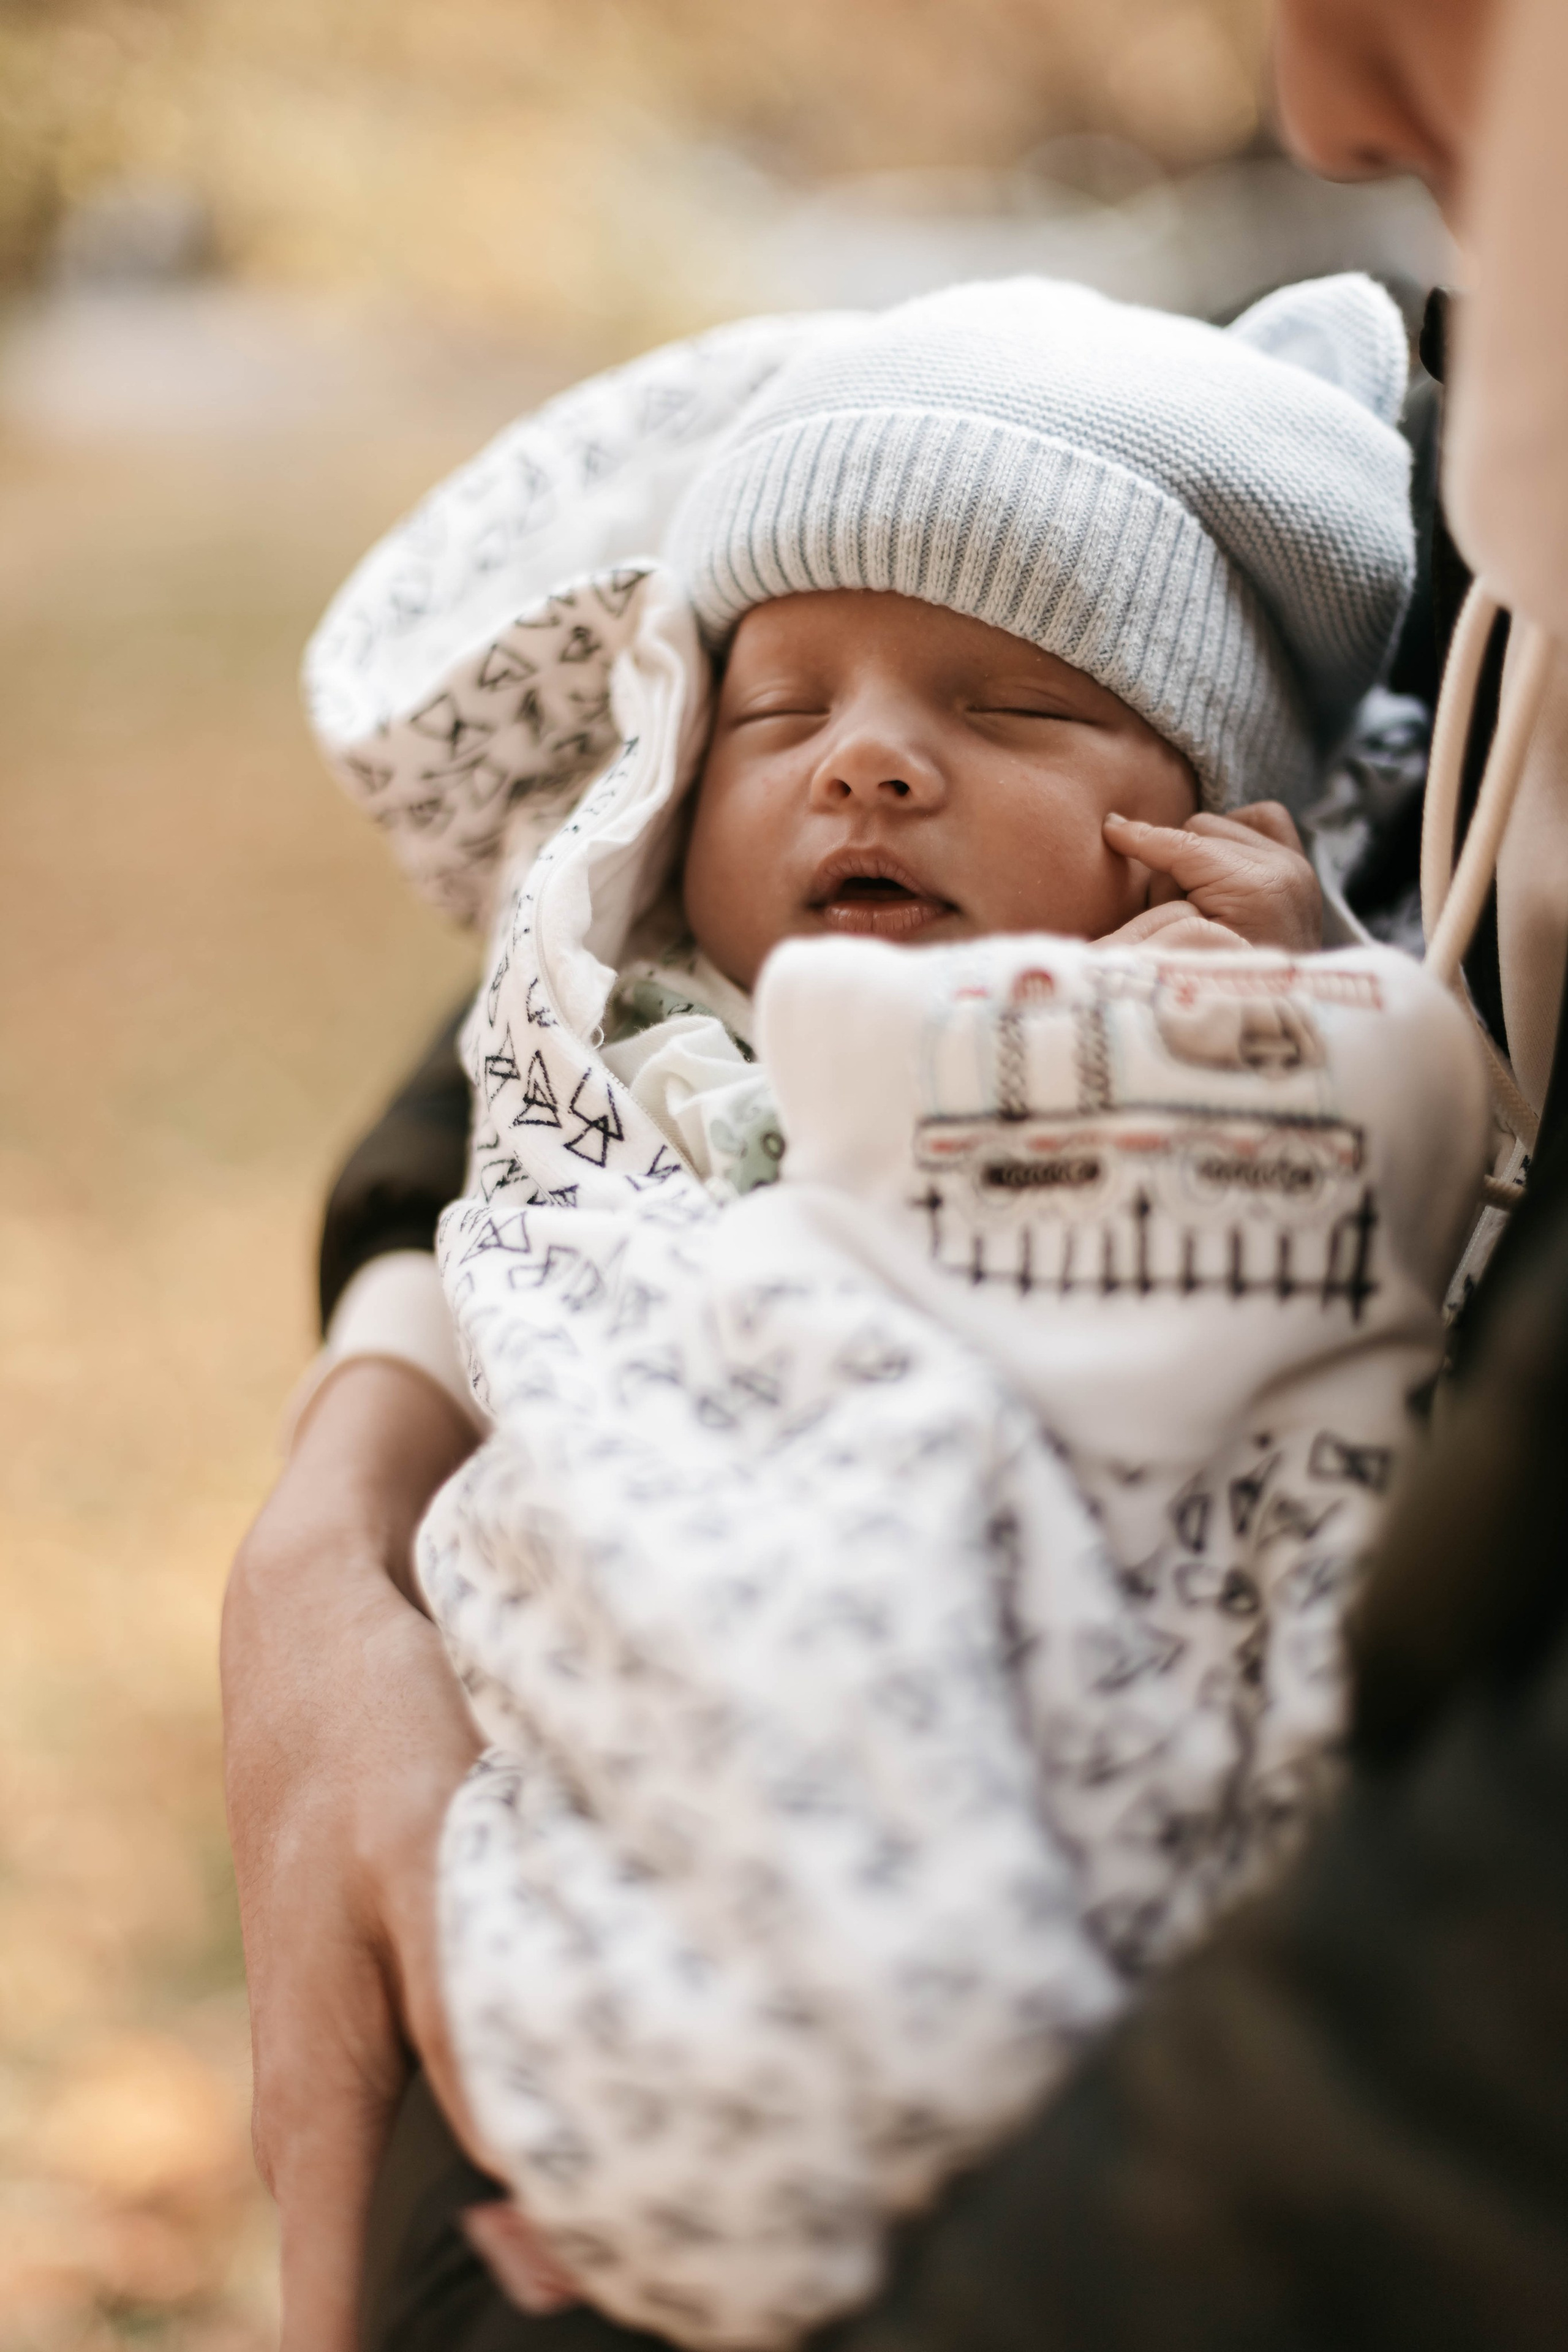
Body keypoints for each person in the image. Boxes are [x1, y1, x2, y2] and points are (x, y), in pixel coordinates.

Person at [222, 1, 1568, 2343]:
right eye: (779, 715)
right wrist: (334, 1522)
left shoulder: (1270, 977)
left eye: (1014, 706)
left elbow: (1436, 1240)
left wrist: (1338, 1005)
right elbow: (519, 1150)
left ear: (1218, 808)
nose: (866, 768)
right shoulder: (646, 1047)